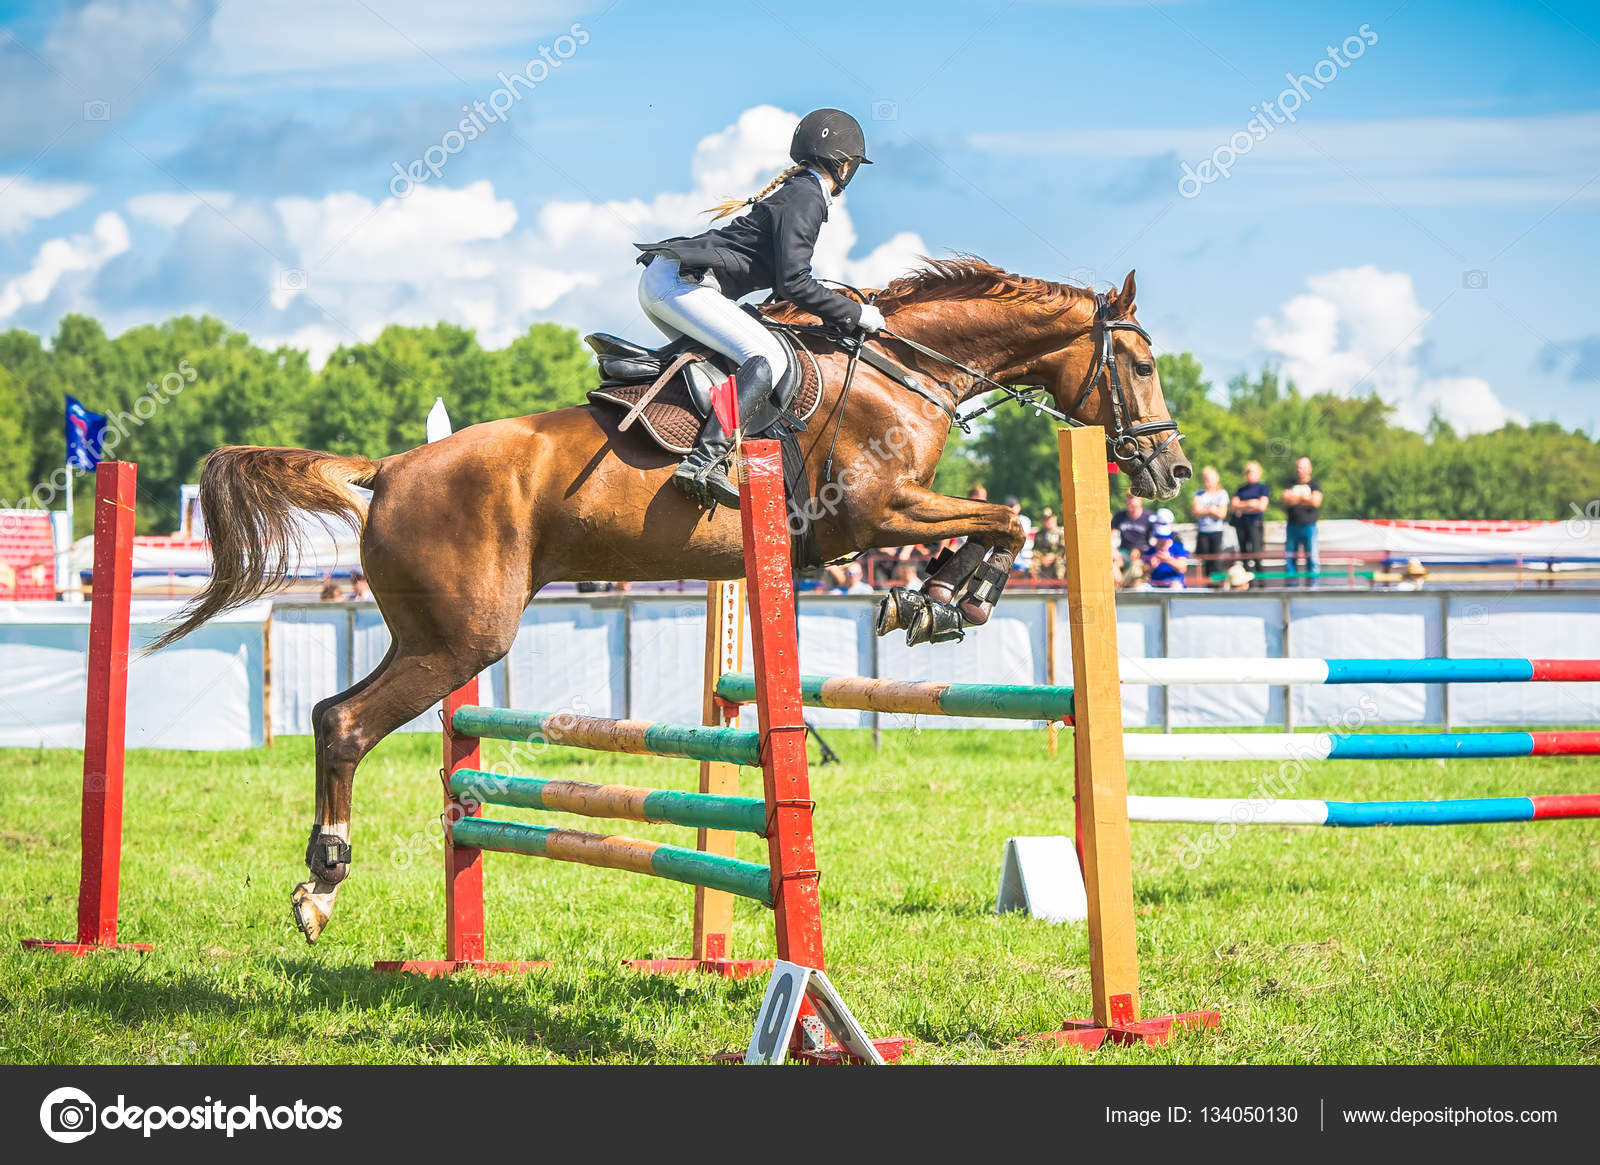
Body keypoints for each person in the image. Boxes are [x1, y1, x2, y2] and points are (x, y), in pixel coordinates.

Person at [635, 109, 880, 508]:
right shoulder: (807, 197)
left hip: (671, 281)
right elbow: (794, 282)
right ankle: (704, 460)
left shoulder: (799, 191)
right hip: (681, 284)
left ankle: (688, 445)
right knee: (766, 358)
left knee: (730, 367)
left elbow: (782, 284)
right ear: (845, 165)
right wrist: (856, 315)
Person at [1280, 456, 1323, 587]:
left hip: (1309, 526)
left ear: (1309, 469)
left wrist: (1295, 498)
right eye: (1298, 467)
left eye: (1303, 467)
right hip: (1292, 526)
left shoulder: (1314, 484)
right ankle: (1291, 587)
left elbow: (1315, 502)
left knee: (1312, 557)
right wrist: (1305, 498)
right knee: (1290, 558)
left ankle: (1312, 586)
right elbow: (1285, 500)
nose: (1300, 470)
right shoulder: (1289, 483)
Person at [1230, 461, 1270, 573]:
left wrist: (1243, 506)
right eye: (1248, 472)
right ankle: (1247, 581)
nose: (1250, 475)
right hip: (1241, 525)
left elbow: (1261, 506)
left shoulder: (1262, 488)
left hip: (1255, 524)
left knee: (1256, 554)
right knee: (1244, 555)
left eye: (1252, 472)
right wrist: (1251, 503)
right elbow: (1234, 505)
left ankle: (1260, 581)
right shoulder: (1241, 489)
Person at [1191, 466, 1230, 572]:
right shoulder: (1199, 493)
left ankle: (1216, 586)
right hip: (1203, 532)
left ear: (1216, 479)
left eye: (1210, 478)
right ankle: (1208, 586)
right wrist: (1212, 510)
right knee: (1204, 561)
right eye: (1205, 478)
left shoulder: (1222, 494)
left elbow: (1222, 514)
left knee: (1216, 562)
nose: (1207, 481)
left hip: (1216, 531)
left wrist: (1204, 510)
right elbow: (1195, 511)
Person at [1111, 494, 1154, 571]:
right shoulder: (1120, 516)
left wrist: (1140, 550)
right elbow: (1112, 536)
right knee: (1112, 563)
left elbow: (1156, 540)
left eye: (1132, 497)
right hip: (1124, 551)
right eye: (1127, 497)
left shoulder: (1149, 517)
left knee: (1138, 567)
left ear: (1141, 500)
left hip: (1143, 552)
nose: (1129, 500)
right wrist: (1113, 550)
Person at [1146, 522, 1190, 588]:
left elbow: (1183, 568)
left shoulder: (1177, 548)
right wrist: (1152, 566)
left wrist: (1168, 559)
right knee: (1141, 587)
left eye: (1164, 539)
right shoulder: (1151, 550)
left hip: (1173, 582)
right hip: (1155, 583)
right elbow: (1145, 571)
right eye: (1160, 539)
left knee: (1175, 587)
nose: (1162, 542)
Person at [1031, 508, 1065, 580]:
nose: (1047, 521)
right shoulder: (1039, 534)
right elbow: (1035, 549)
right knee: (1033, 567)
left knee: (1059, 566)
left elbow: (1063, 549)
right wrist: (1042, 558)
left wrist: (1053, 556)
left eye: (1049, 519)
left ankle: (1059, 586)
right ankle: (1036, 587)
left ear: (1054, 519)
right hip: (1041, 558)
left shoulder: (1060, 533)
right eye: (1045, 519)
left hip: (1057, 558)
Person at [1004, 495, 1034, 573]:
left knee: (1023, 568)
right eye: (1009, 506)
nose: (1011, 509)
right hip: (1008, 554)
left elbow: (1019, 537)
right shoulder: (1003, 520)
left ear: (1018, 506)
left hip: (1023, 555)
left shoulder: (1025, 520)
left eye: (1012, 506)